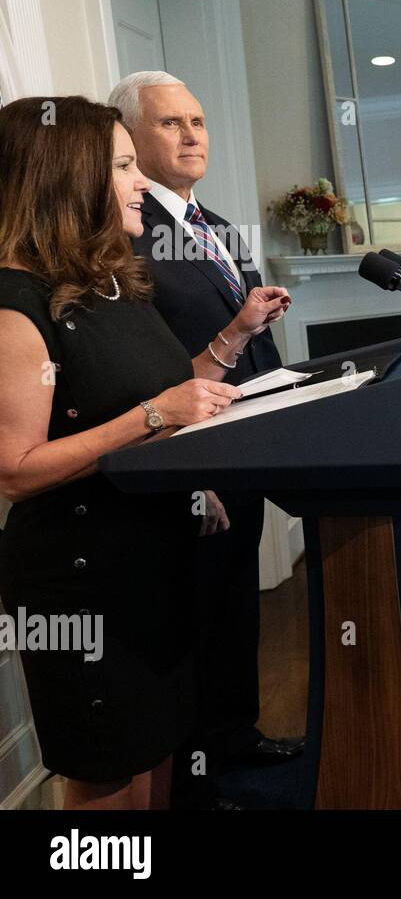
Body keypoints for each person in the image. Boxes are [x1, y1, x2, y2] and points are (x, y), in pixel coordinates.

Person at [0, 96, 245, 808]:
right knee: (108, 768)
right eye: (124, 166)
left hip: (153, 559)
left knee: (158, 743)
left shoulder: (115, 284)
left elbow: (169, 393)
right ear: (66, 178)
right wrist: (152, 416)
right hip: (81, 583)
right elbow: (15, 471)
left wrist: (224, 350)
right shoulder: (17, 306)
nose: (141, 183)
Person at [108, 71, 302, 807]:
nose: (192, 135)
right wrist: (189, 468)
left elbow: (250, 336)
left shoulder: (216, 224)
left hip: (243, 448)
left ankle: (233, 734)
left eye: (198, 120)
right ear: (129, 137)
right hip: (186, 463)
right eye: (170, 124)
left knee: (233, 603)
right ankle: (193, 774)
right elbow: (142, 370)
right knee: (189, 618)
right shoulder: (126, 236)